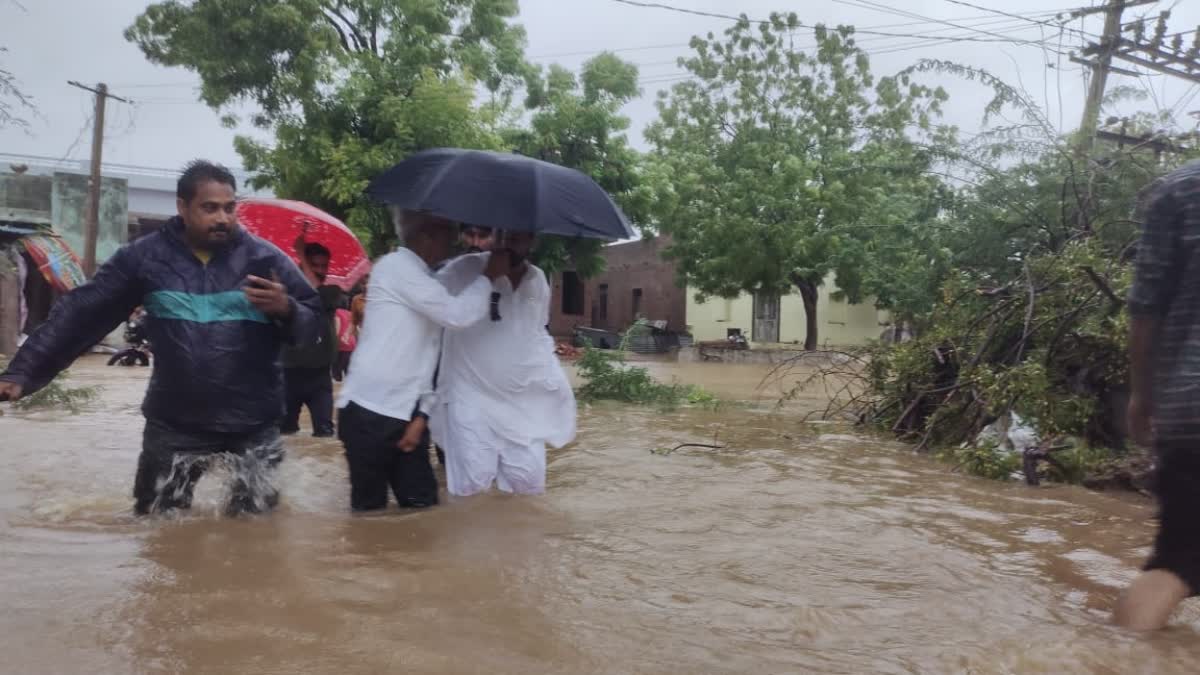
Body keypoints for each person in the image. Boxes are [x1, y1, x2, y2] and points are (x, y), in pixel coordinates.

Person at [0, 160, 321, 516]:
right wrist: (22, 372)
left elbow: (316, 326)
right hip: (175, 423)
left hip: (253, 423)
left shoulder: (264, 258)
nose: (222, 218)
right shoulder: (145, 258)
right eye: (210, 208)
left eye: (230, 208)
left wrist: (287, 307)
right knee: (156, 525)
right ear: (183, 207)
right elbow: (83, 311)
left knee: (255, 531)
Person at [335, 209, 511, 512]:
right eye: (448, 231)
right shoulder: (396, 268)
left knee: (423, 511)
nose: (455, 239)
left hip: (406, 417)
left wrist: (423, 415)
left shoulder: (424, 278)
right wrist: (487, 277)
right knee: (369, 516)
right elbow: (456, 314)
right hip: (370, 412)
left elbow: (428, 359)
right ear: (426, 235)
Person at [1114, 160, 1200, 631]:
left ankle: (1109, 659)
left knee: (1178, 562)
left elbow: (1145, 309)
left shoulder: (1180, 189)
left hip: (1191, 408)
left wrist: (1141, 395)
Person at [432, 230, 576, 497]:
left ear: (532, 240)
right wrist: (487, 277)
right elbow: (438, 311)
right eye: (501, 235)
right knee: (472, 490)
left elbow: (537, 332)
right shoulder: (464, 270)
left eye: (516, 236)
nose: (506, 242)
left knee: (529, 487)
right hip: (469, 396)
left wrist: (555, 383)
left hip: (521, 401)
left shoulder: (538, 280)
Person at [281, 242, 340, 437]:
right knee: (284, 433)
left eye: (324, 266)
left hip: (320, 377)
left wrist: (301, 256)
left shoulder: (331, 293)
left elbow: (314, 292)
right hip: (288, 374)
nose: (321, 271)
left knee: (325, 434)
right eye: (315, 265)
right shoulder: (284, 296)